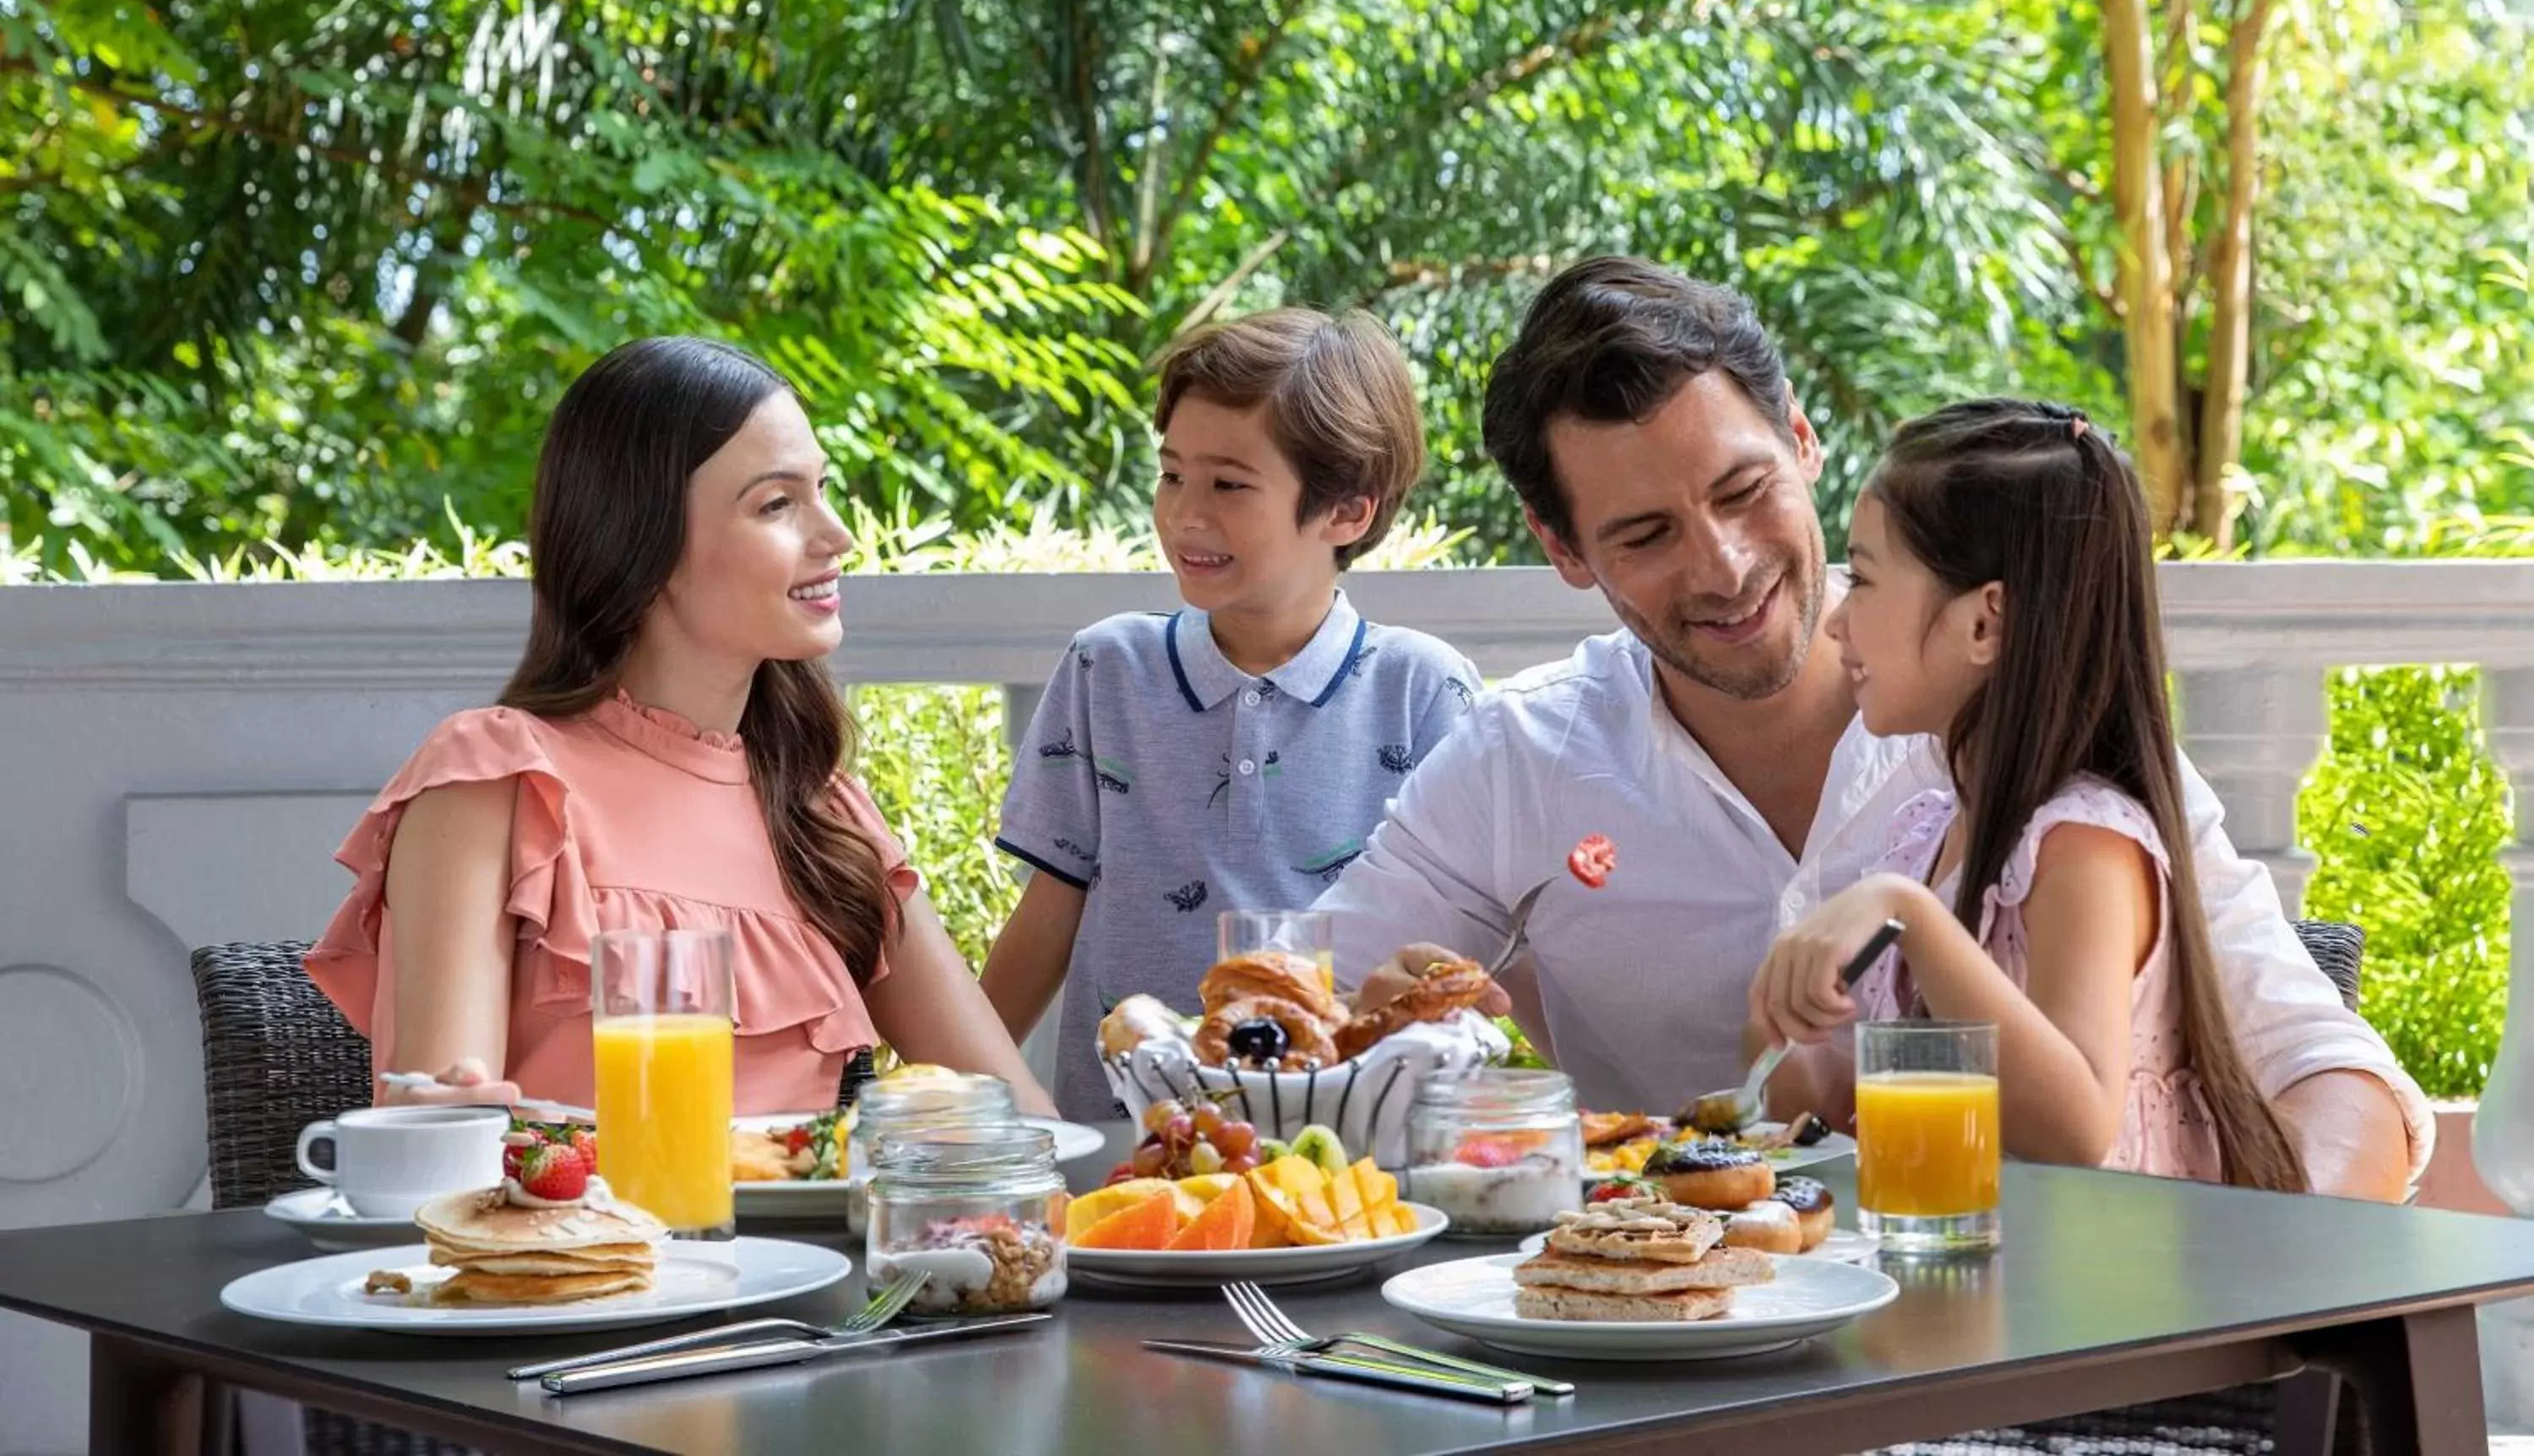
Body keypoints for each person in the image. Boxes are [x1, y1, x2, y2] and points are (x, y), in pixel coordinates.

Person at [1320, 258, 2428, 1198]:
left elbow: (2324, 1070)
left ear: (1802, 440)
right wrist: (1410, 1031)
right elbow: (1292, 1025)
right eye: (1648, 533)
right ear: (1565, 551)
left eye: (1745, 489)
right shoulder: (1523, 760)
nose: (1726, 566)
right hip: (1696, 1348)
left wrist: (2249, 1322)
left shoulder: (2051, 761)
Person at [305, 337, 1055, 1117]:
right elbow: (437, 1141)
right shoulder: (498, 776)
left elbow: (1016, 1117)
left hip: (814, 1245)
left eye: (822, 490)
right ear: (644, 543)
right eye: (777, 504)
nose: (836, 537)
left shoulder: (824, 812)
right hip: (563, 1240)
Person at [1748, 399, 2302, 1187]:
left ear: (1987, 623)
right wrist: (1785, 1035)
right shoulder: (1931, 831)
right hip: (1958, 1259)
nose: (1836, 623)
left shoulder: (2083, 846)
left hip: (2105, 1290)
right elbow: (1850, 1103)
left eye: (1862, 579)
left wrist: (1906, 914)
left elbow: (2075, 1127)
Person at [980, 307, 1480, 1121]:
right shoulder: (1105, 668)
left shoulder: (1425, 691)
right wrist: (950, 1094)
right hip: (1125, 1152)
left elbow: (1454, 945)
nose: (1184, 515)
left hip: (1351, 1160)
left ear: (1348, 511)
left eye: (1229, 484)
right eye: (1172, 474)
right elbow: (1047, 913)